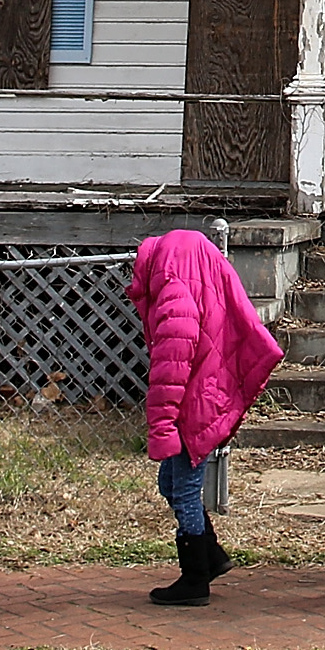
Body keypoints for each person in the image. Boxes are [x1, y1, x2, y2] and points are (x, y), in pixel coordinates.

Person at [127, 225, 286, 607]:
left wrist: (162, 427)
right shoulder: (199, 272)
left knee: (182, 490)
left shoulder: (175, 291)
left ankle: (195, 576)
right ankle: (211, 556)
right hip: (208, 392)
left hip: (193, 404)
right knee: (171, 484)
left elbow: (170, 367)